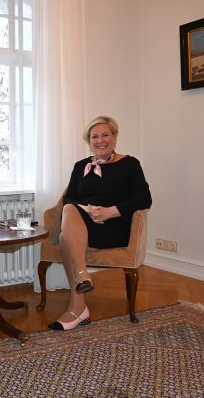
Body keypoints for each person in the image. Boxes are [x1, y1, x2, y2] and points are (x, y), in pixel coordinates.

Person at [48, 116, 152, 331]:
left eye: (105, 135)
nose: (100, 140)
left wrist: (109, 212)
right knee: (69, 210)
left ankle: (77, 306)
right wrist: (88, 210)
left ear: (115, 137)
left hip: (114, 227)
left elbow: (144, 198)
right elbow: (70, 198)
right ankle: (81, 287)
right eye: (94, 136)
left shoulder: (130, 164)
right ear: (89, 141)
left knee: (66, 237)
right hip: (85, 223)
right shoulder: (81, 166)